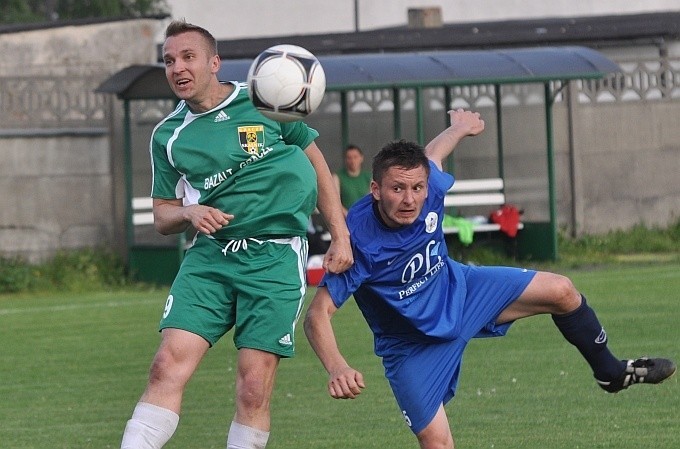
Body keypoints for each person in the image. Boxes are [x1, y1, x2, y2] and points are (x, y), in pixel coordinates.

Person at [304, 109, 676, 449]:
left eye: (416, 188)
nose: (409, 199)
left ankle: (610, 373)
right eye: (397, 188)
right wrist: (337, 366)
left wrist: (459, 128)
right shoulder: (356, 241)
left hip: (463, 293)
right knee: (438, 444)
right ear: (375, 190)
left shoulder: (429, 184)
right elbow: (317, 315)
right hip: (411, 345)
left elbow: (433, 154)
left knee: (562, 290)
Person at [120, 20, 353, 449]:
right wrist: (188, 211)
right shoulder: (168, 136)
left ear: (214, 62)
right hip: (211, 257)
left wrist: (340, 234)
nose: (178, 68)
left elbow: (318, 165)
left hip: (274, 257)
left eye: (188, 57)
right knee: (165, 366)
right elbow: (162, 216)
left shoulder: (267, 99)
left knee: (253, 386)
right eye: (169, 61)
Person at [333, 144, 372, 214]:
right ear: (345, 160)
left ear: (361, 158)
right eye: (349, 158)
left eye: (355, 157)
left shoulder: (369, 177)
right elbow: (335, 202)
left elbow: (371, 201)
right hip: (345, 217)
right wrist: (349, 215)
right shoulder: (337, 177)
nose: (352, 161)